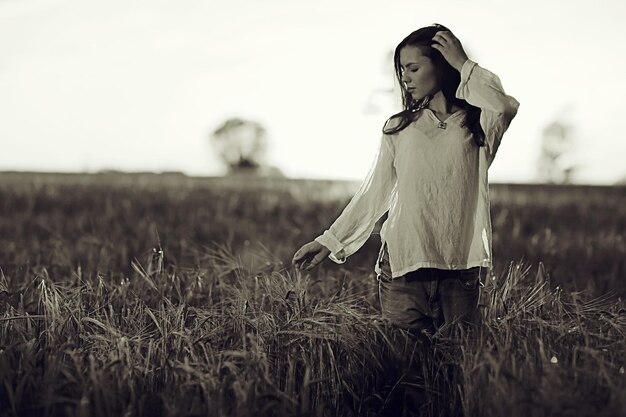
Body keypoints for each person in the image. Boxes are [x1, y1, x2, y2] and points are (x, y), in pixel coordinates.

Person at [292, 23, 520, 340]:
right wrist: (330, 241)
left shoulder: (478, 125)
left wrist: (464, 64)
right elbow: (375, 193)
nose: (405, 78)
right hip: (403, 266)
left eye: (413, 67)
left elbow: (504, 104)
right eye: (401, 70)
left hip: (459, 268)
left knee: (455, 374)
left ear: (441, 65)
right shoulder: (399, 127)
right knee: (407, 374)